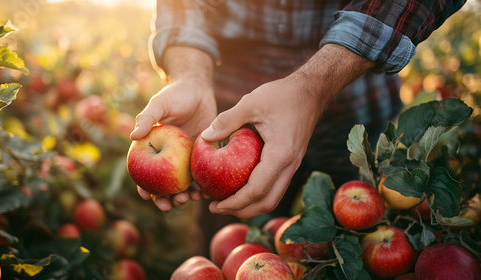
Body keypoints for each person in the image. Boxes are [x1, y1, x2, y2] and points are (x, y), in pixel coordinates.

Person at [131, 0, 466, 254]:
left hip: (356, 119)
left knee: (360, 248)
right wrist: (190, 75)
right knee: (230, 252)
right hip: (223, 121)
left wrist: (312, 88)